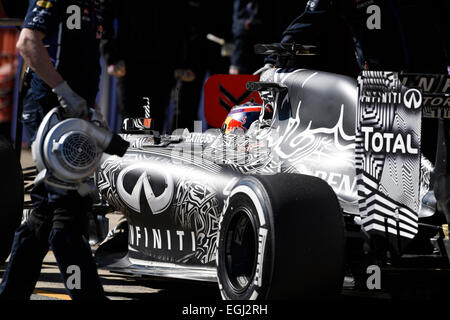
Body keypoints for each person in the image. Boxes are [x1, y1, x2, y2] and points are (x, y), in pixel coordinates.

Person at [0, 0, 107, 300]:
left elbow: (81, 60)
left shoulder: (95, 3)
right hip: (51, 111)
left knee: (45, 213)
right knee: (66, 212)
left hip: (73, 110)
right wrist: (63, 92)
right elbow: (27, 41)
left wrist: (90, 106)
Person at [101, 0, 186, 134]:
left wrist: (181, 62)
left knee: (155, 124)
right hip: (129, 64)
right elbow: (104, 16)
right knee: (131, 122)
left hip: (163, 64)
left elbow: (182, 18)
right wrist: (110, 55)